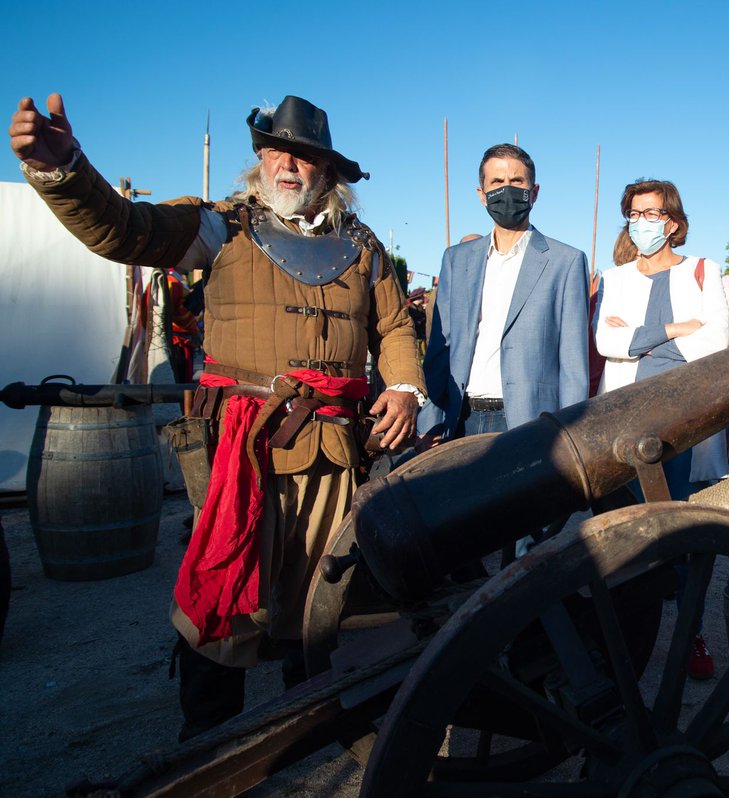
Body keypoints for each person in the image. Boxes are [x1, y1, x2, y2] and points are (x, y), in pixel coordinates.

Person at [9, 93, 426, 740]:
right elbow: (126, 228)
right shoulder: (222, 227)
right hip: (241, 450)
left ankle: (304, 731)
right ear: (259, 158)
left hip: (335, 456)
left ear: (329, 172)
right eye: (276, 151)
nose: (288, 165)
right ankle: (206, 740)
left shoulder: (365, 248)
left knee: (317, 599)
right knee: (226, 596)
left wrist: (401, 386)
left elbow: (396, 326)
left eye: (305, 156)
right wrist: (65, 172)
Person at [594, 178, 729, 680]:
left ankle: (689, 632)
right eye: (635, 212)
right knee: (630, 534)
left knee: (682, 533)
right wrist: (673, 330)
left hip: (685, 423)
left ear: (672, 221)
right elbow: (605, 341)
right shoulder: (615, 276)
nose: (642, 222)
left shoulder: (702, 270)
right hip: (626, 419)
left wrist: (638, 339)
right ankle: (628, 638)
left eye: (652, 213)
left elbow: (714, 339)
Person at [418, 143, 590, 446]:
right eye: (497, 182)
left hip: (530, 423)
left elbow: (573, 363)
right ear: (481, 194)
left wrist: (569, 435)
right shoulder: (456, 260)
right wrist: (429, 421)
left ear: (534, 192)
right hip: (461, 418)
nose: (507, 190)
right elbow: (440, 348)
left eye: (517, 181)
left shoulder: (566, 261)